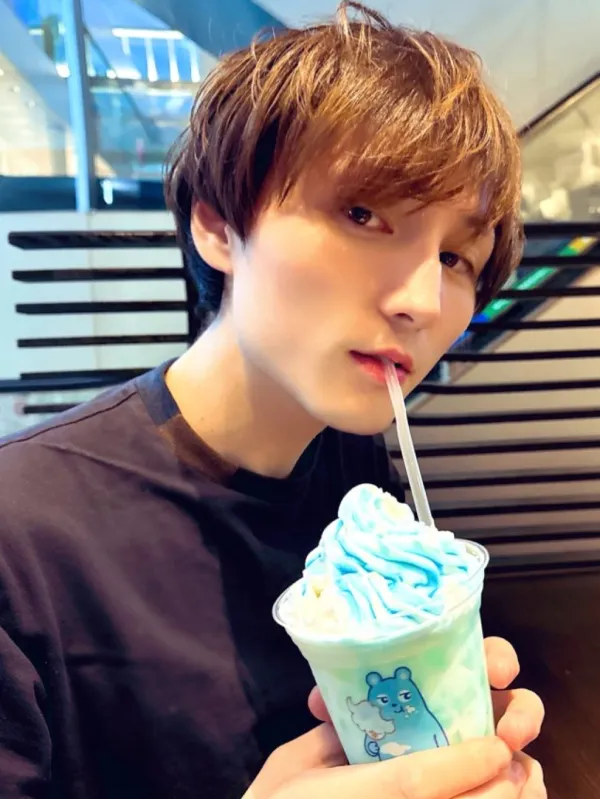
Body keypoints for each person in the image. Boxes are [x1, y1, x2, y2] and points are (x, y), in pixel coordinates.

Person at [0, 3, 545, 798]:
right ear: (219, 227)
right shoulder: (23, 539)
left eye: (457, 257)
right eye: (363, 213)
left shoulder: (350, 465)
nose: (422, 301)